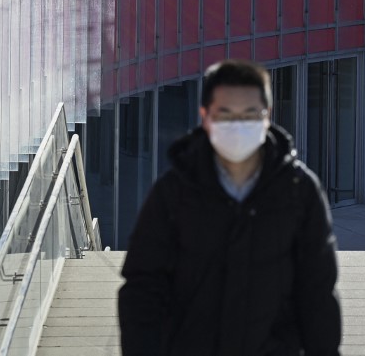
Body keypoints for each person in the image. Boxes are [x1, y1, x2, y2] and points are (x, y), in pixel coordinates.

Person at [118, 59, 341, 356]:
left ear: (267, 116)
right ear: (205, 117)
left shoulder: (299, 191)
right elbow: (143, 290)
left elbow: (317, 292)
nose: (238, 126)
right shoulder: (174, 192)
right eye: (226, 115)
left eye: (249, 114)